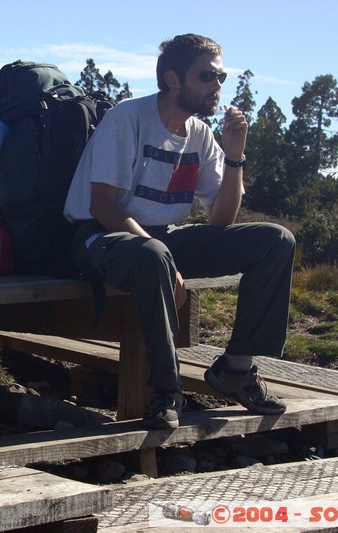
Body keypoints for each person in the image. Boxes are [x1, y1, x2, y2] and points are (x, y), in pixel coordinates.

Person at [63, 33, 295, 430]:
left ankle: (237, 368)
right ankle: (166, 390)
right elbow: (102, 205)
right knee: (154, 256)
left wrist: (235, 156)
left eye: (221, 77)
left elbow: (221, 220)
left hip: (161, 239)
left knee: (275, 241)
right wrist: (163, 257)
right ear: (173, 79)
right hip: (100, 236)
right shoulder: (129, 118)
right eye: (207, 76)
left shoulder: (200, 134)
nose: (217, 86)